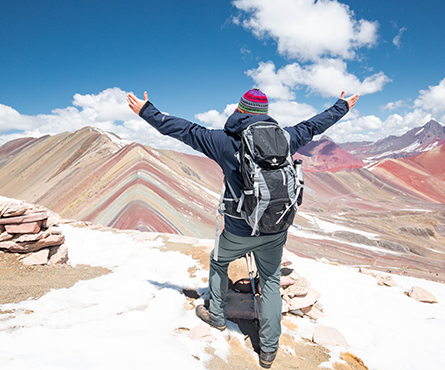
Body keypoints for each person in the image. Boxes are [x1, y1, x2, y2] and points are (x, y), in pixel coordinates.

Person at [127, 88, 359, 368]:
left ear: (241, 110)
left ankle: (217, 315)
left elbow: (184, 130)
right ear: (265, 114)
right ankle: (269, 349)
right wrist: (341, 106)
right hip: (276, 228)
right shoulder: (286, 138)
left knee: (218, 259)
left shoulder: (223, 141)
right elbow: (315, 124)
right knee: (271, 280)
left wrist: (146, 110)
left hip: (239, 231)